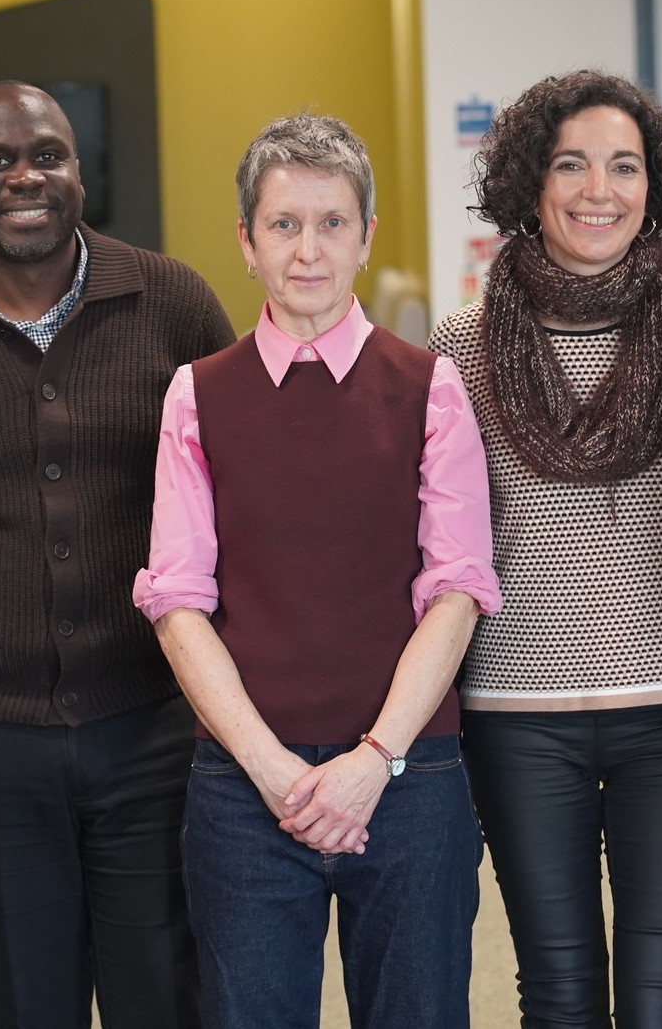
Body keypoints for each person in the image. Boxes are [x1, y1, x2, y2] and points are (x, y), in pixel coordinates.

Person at [0, 80, 234, 1026]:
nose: (25, 175)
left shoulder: (173, 303)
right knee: (30, 1002)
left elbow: (234, 508)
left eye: (47, 155)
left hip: (152, 724)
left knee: (166, 995)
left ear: (80, 173)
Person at [134, 114, 500, 1028]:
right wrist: (272, 771)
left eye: (333, 223)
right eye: (284, 224)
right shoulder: (198, 393)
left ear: (367, 236)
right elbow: (178, 603)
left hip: (410, 778)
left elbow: (456, 593)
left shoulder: (431, 386)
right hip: (244, 790)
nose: (309, 250)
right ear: (247, 243)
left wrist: (374, 760)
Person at [427, 69, 662, 1027]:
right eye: (572, 165)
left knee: (659, 999)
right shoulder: (462, 343)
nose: (600, 190)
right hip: (516, 710)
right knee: (555, 993)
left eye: (625, 167)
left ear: (656, 185)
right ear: (530, 182)